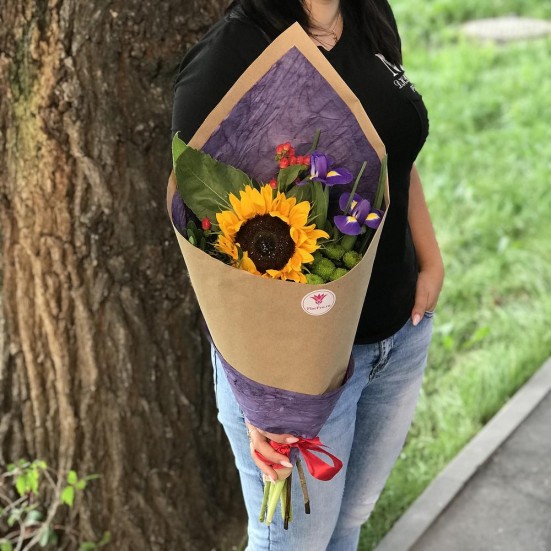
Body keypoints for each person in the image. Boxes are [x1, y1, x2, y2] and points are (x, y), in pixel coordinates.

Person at [171, 0, 444, 549]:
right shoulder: (230, 56)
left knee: (347, 526)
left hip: (399, 340)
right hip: (299, 379)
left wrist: (430, 257)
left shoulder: (369, 14)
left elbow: (393, 154)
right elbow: (205, 237)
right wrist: (261, 398)